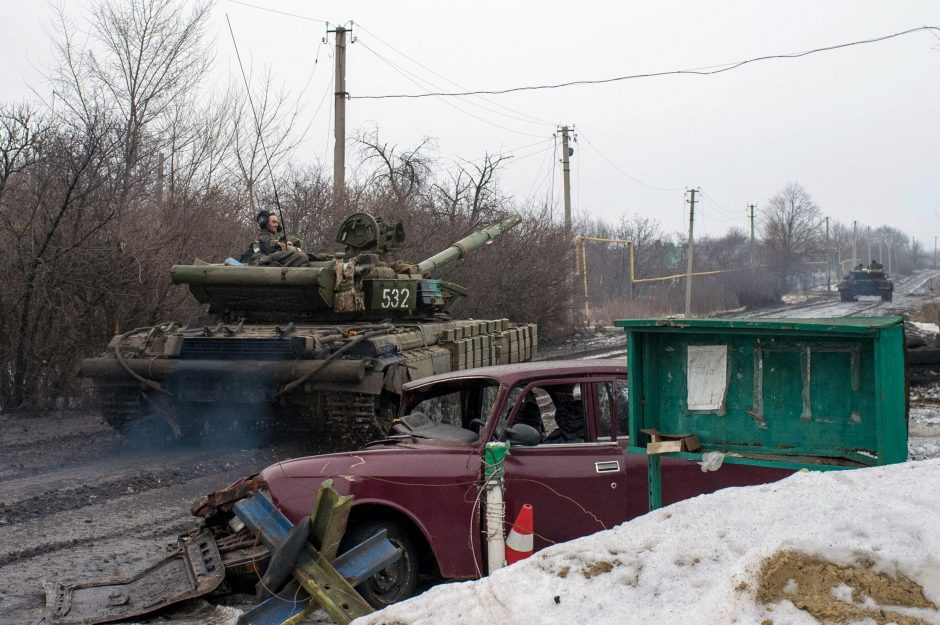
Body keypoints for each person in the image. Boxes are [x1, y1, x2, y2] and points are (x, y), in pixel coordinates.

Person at [240, 211, 308, 267]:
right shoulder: (257, 244)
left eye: (277, 222)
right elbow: (257, 257)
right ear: (265, 223)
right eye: (274, 222)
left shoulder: (282, 238)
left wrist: (290, 246)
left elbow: (300, 243)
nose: (277, 225)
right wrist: (282, 247)